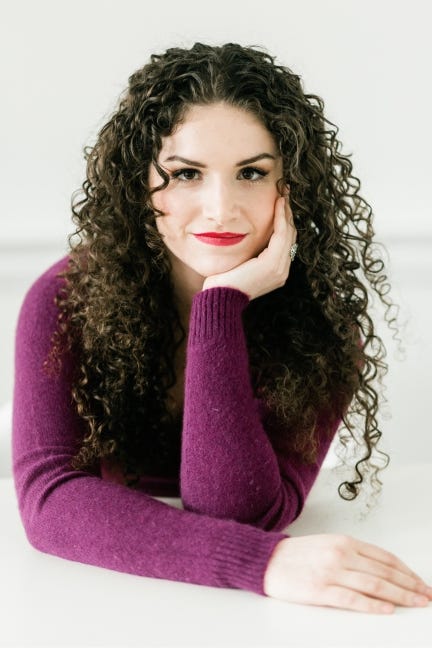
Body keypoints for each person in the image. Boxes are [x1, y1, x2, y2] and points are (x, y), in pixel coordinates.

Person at [12, 42, 431, 614]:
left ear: (293, 185)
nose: (220, 208)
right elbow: (50, 499)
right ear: (141, 185)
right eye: (186, 173)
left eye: (251, 173)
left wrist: (222, 304)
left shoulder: (323, 324)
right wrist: (263, 562)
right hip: (98, 601)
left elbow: (236, 510)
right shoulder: (64, 300)